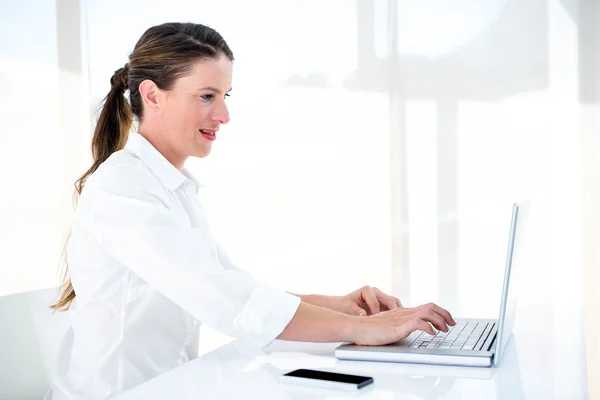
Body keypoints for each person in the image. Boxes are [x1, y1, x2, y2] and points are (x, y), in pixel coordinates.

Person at [47, 22, 455, 400]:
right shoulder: (123, 187)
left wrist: (341, 306)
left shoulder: (170, 187)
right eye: (207, 96)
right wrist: (362, 330)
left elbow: (231, 285)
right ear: (153, 96)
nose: (223, 115)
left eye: (224, 97)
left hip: (169, 387)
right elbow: (225, 299)